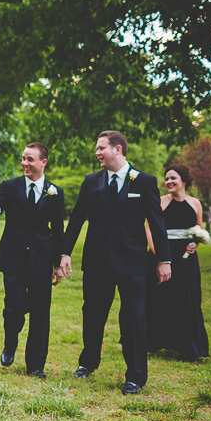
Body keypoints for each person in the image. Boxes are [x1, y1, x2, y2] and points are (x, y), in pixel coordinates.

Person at [58, 130, 171, 395]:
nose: (97, 153)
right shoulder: (91, 182)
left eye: (101, 148)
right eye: (97, 149)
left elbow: (157, 223)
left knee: (133, 317)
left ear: (117, 149)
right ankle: (88, 363)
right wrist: (64, 252)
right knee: (93, 313)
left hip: (133, 262)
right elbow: (76, 220)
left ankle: (135, 376)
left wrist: (163, 259)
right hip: (97, 261)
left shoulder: (144, 182)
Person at [0, 142, 65, 379]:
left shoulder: (55, 192)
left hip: (41, 259)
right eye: (23, 158)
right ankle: (10, 343)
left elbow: (58, 229)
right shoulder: (10, 186)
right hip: (14, 257)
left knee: (41, 313)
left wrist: (58, 263)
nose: (24, 163)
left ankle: (36, 364)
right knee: (14, 308)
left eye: (30, 159)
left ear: (43, 162)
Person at [145, 164, 210, 362]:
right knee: (158, 298)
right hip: (162, 255)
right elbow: (149, 228)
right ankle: (153, 342)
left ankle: (188, 347)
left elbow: (198, 229)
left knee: (187, 300)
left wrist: (195, 245)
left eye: (173, 178)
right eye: (166, 179)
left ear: (184, 180)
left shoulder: (195, 203)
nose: (169, 182)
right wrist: (159, 255)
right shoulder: (160, 202)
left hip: (187, 259)